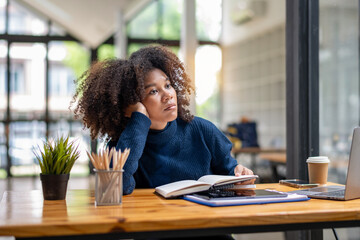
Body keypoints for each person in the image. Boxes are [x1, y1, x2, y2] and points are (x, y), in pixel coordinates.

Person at [72, 45, 254, 196]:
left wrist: (241, 174)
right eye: (153, 91)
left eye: (167, 85)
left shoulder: (202, 129)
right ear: (132, 103)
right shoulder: (122, 145)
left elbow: (231, 172)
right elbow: (113, 190)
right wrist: (139, 119)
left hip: (208, 227)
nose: (167, 95)